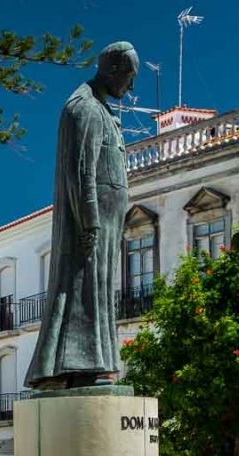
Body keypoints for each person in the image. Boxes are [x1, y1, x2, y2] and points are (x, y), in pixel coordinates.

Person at [25, 42, 139, 390]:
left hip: (104, 221)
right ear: (113, 71)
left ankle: (93, 363)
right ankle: (76, 365)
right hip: (89, 223)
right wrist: (89, 219)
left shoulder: (99, 108)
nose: (131, 89)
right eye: (129, 78)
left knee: (97, 291)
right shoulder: (84, 108)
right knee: (83, 289)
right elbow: (81, 171)